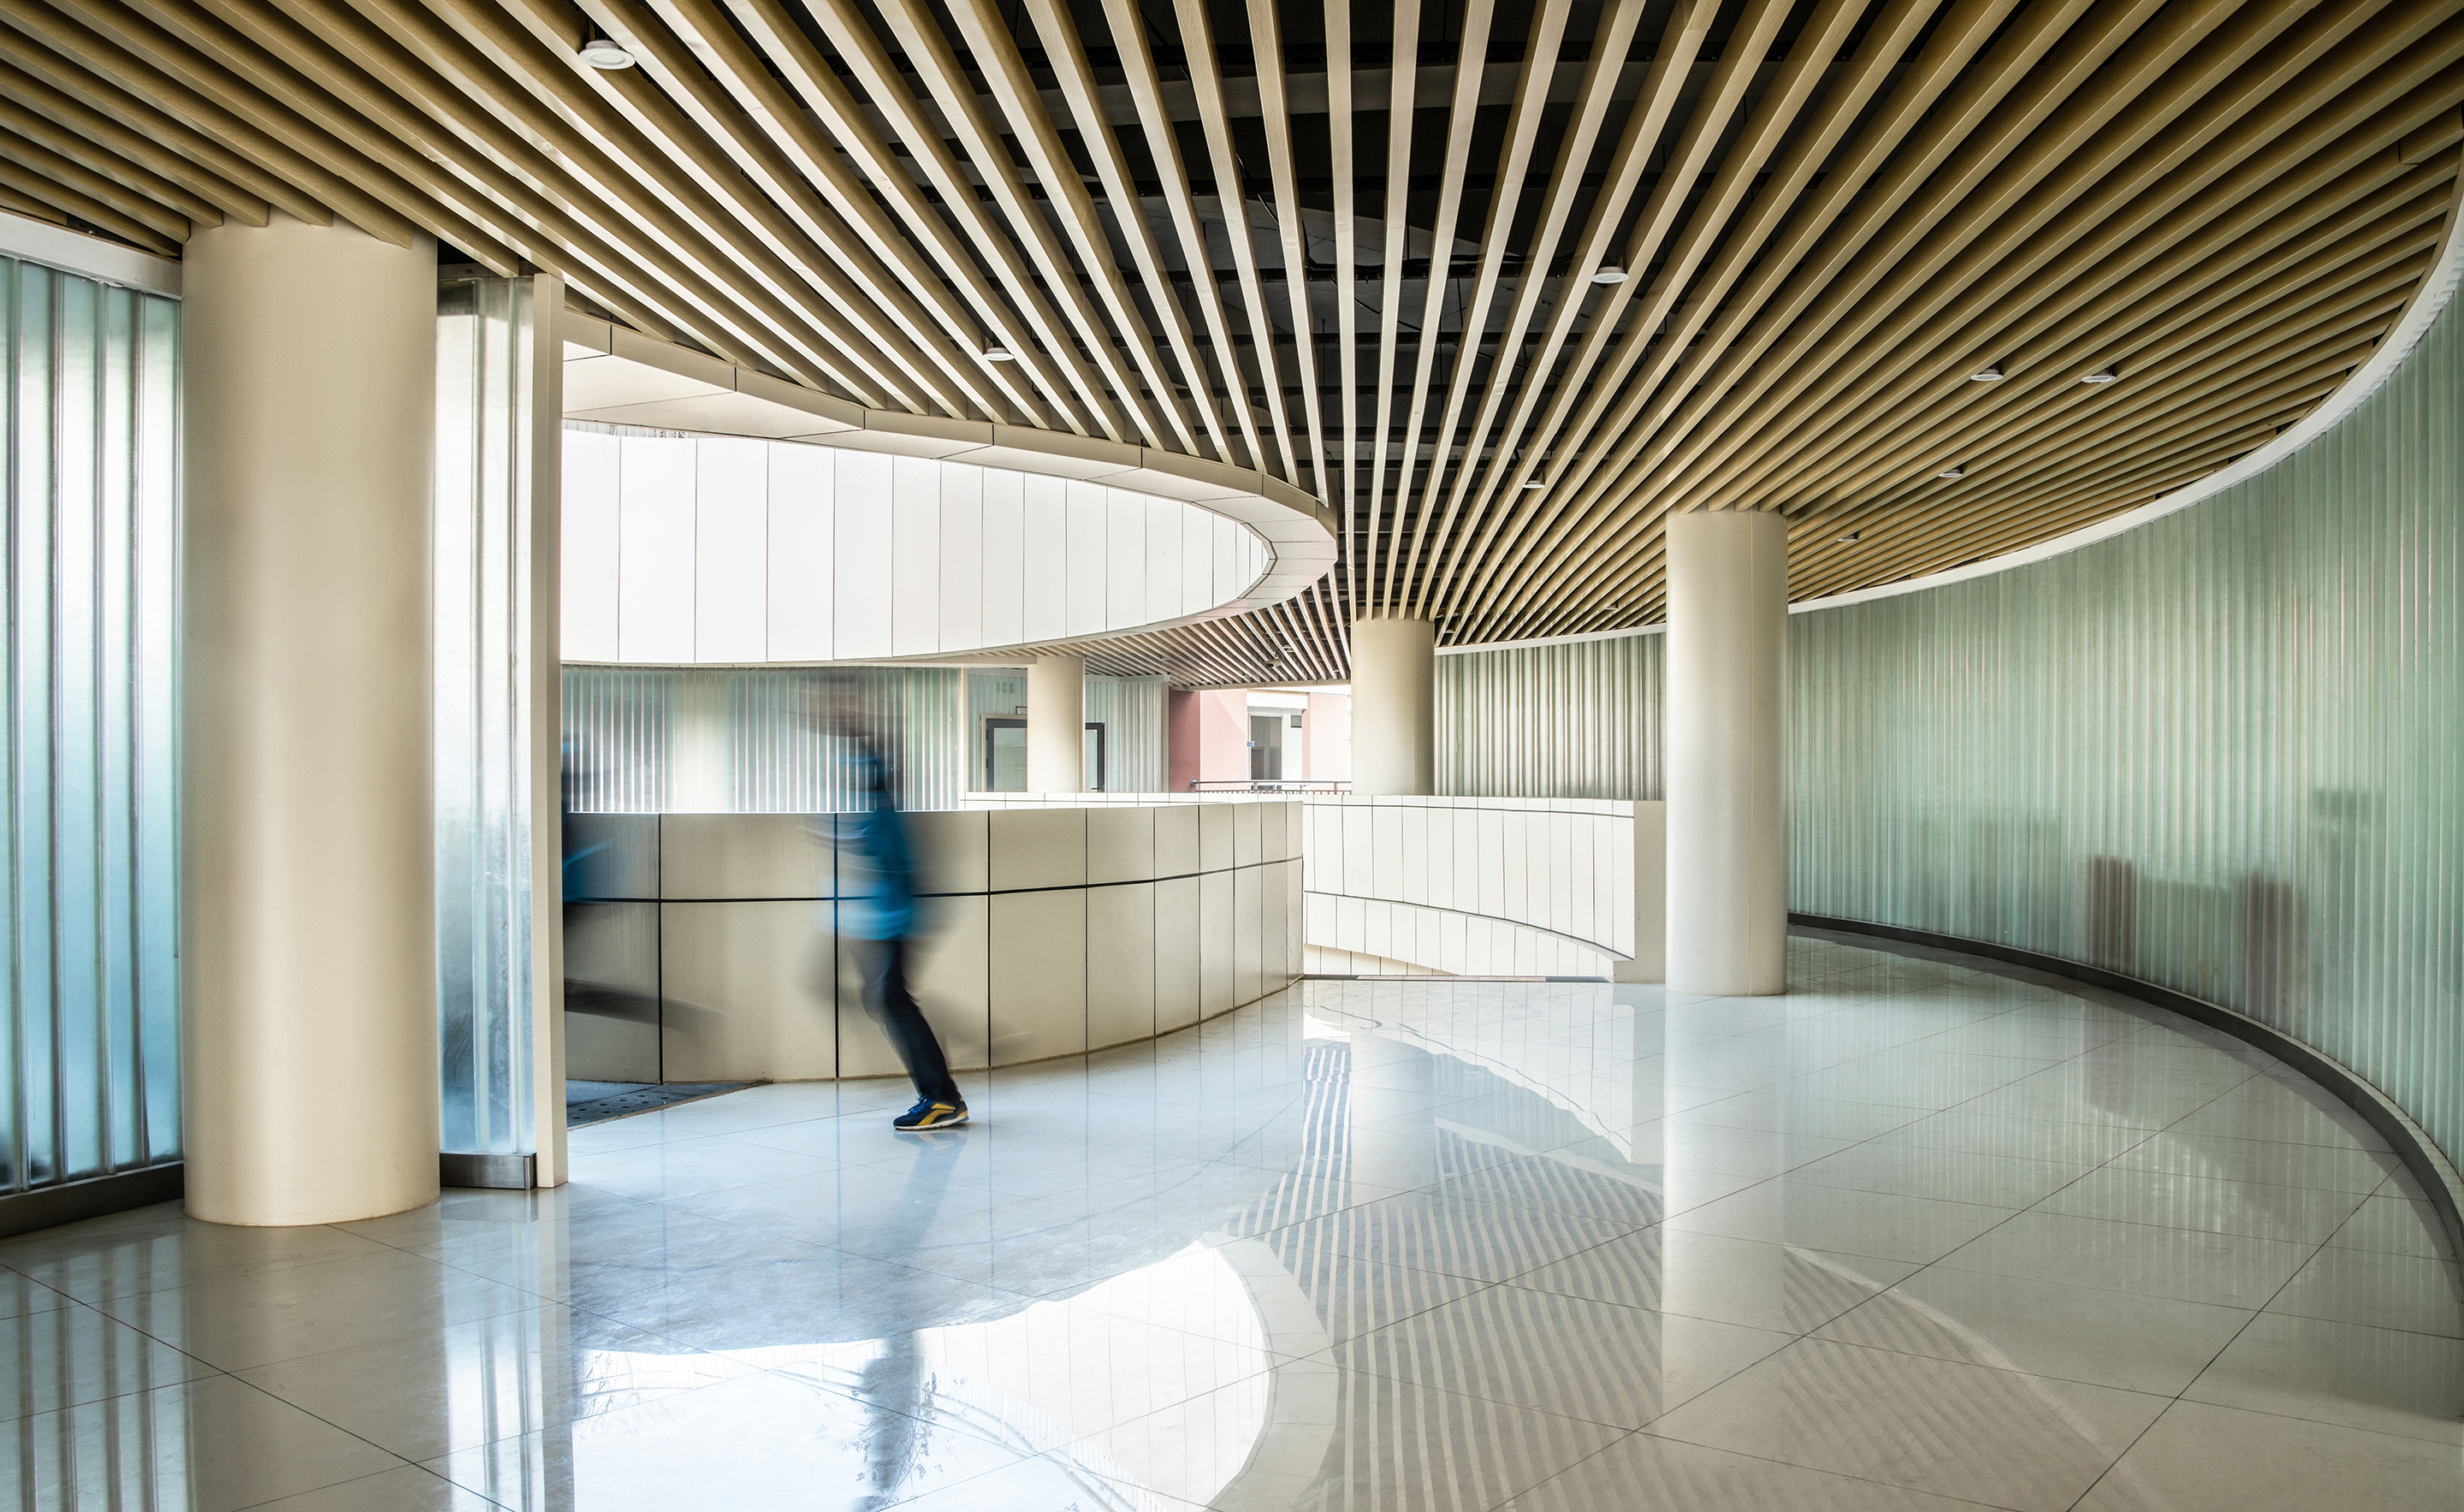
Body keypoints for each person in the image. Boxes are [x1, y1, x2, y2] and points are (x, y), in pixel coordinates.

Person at [818, 680, 969, 1131]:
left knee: (892, 999)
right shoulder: (872, 768)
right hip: (891, 907)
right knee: (889, 998)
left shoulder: (873, 770)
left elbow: (880, 839)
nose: (834, 711)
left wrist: (838, 836)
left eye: (843, 704)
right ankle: (942, 1093)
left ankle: (942, 1097)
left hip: (894, 909)